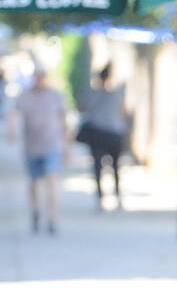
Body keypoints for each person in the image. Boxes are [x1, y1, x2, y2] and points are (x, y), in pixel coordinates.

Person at [8, 67, 68, 234]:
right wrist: (11, 129)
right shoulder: (25, 96)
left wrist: (66, 144)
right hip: (32, 146)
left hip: (52, 144)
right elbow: (14, 114)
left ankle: (52, 217)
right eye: (37, 77)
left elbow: (63, 119)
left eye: (42, 77)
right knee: (34, 182)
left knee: (52, 179)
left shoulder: (55, 96)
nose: (40, 80)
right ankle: (35, 211)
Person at [80, 63, 128, 209]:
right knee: (115, 167)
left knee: (98, 168)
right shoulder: (117, 94)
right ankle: (117, 196)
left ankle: (101, 198)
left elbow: (82, 107)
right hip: (113, 133)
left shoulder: (92, 94)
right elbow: (123, 110)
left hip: (99, 133)